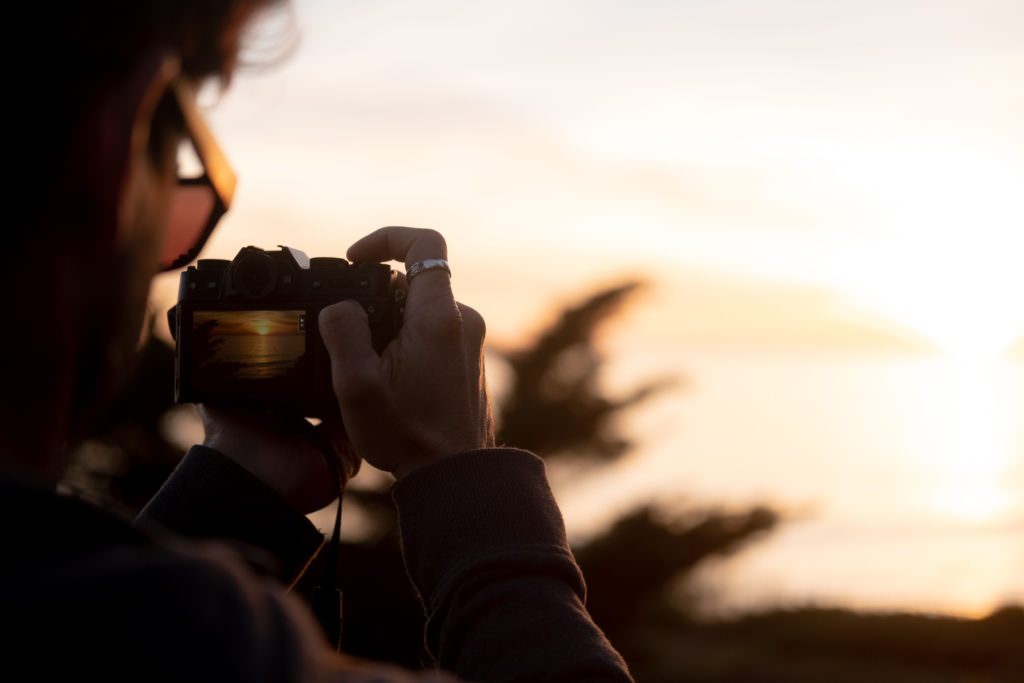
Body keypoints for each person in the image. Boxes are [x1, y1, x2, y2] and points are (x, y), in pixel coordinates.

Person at [3, 2, 633, 681]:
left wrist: (238, 489)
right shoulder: (209, 640)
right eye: (186, 187)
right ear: (117, 148)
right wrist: (453, 464)